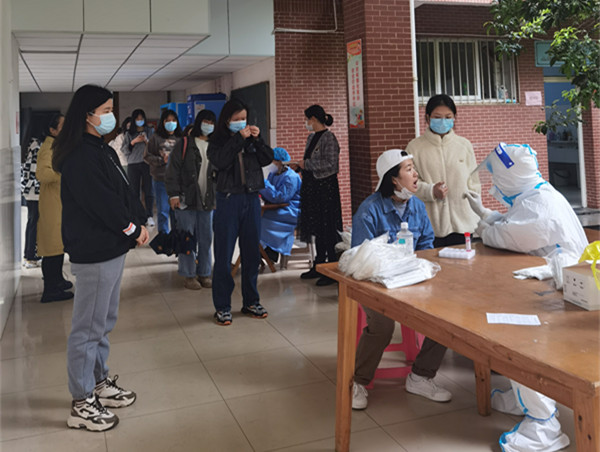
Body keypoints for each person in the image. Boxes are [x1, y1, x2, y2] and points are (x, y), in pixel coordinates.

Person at [465, 142, 588, 452]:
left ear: (510, 176)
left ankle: (544, 424)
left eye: (497, 176)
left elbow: (507, 236)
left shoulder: (539, 205)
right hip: (549, 285)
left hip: (557, 290)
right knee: (518, 340)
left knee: (521, 343)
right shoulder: (535, 195)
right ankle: (524, 397)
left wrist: (485, 224)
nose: (495, 182)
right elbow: (514, 226)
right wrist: (488, 214)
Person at [53, 84, 149, 432]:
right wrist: (131, 228)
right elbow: (102, 203)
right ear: (88, 114)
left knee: (103, 321)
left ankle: (98, 381)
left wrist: (139, 221)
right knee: (87, 329)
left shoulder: (101, 148)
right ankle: (81, 401)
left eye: (111, 109)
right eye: (106, 110)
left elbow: (123, 191)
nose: (111, 116)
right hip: (94, 250)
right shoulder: (79, 156)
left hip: (111, 248)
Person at [351, 149, 452, 411]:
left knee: (447, 316)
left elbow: (427, 245)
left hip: (413, 279)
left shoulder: (417, 206)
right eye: (409, 169)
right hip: (376, 284)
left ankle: (420, 376)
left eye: (413, 168)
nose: (416, 174)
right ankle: (358, 381)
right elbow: (359, 258)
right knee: (382, 325)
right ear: (393, 179)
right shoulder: (369, 210)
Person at [207, 99, 274, 325]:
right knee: (224, 255)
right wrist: (238, 139)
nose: (241, 123)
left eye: (244, 118)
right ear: (227, 120)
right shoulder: (217, 141)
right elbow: (221, 161)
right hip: (228, 199)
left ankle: (251, 301)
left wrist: (258, 140)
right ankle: (222, 306)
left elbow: (267, 158)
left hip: (251, 198)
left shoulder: (251, 140)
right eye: (237, 119)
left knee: (251, 253)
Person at [406, 94, 481, 247]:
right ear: (427, 118)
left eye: (448, 117)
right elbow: (409, 183)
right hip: (430, 226)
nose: (443, 121)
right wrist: (430, 190)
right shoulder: (415, 147)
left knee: (464, 261)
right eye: (437, 117)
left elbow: (474, 182)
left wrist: (476, 212)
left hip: (463, 225)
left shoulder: (464, 145)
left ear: (454, 118)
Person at [166, 109, 216, 290]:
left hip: (207, 200)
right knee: (186, 237)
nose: (208, 126)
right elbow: (172, 170)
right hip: (186, 198)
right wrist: (173, 194)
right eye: (205, 122)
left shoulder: (215, 145)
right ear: (198, 123)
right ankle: (188, 275)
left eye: (212, 123)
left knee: (206, 238)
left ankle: (204, 273)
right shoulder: (185, 143)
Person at [293, 104, 342, 286]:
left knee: (328, 228)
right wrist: (299, 166)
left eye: (308, 119)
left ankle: (331, 268)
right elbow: (310, 160)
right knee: (317, 228)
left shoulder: (329, 138)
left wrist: (306, 165)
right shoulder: (311, 137)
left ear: (313, 119)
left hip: (325, 190)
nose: (306, 123)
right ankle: (319, 264)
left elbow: (331, 164)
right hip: (312, 188)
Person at [36, 113, 74, 303]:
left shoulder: (56, 145)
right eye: (62, 126)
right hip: (52, 206)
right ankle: (50, 290)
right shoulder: (48, 147)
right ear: (52, 130)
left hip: (58, 204)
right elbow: (42, 174)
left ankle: (57, 280)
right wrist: (63, 174)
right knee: (52, 249)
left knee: (58, 247)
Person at [259, 146, 302, 263]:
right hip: (279, 208)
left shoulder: (291, 177)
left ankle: (270, 250)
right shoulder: (273, 175)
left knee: (263, 220)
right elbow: (270, 194)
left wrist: (263, 184)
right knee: (255, 217)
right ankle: (265, 249)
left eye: (272, 160)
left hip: (291, 210)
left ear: (280, 162)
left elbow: (281, 197)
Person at [144, 109, 182, 234]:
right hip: (161, 179)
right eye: (167, 120)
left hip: (178, 181)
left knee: (177, 211)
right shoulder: (155, 138)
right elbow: (147, 156)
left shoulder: (181, 138)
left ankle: (176, 236)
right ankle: (164, 237)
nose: (171, 123)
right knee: (163, 211)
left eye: (173, 120)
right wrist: (161, 160)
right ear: (163, 122)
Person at [123, 108, 155, 227]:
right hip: (133, 163)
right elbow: (125, 150)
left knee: (149, 190)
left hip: (147, 163)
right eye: (137, 119)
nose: (140, 121)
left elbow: (154, 147)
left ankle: (149, 215)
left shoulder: (150, 131)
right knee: (134, 191)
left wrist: (146, 140)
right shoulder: (129, 133)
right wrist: (133, 142)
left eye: (141, 118)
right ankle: (135, 215)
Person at [21, 136, 42, 268]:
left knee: (32, 222)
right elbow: (34, 171)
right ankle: (30, 256)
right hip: (34, 190)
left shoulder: (30, 143)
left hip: (30, 189)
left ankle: (29, 255)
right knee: (34, 223)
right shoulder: (36, 146)